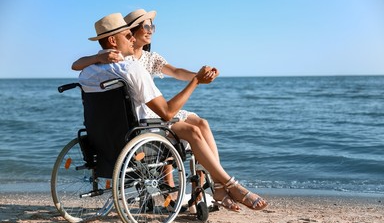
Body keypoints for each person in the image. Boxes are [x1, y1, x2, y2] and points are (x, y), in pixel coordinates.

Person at [79, 13, 268, 211]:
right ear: (114, 39)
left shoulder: (90, 70)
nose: (136, 37)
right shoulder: (131, 68)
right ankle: (228, 185)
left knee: (200, 124)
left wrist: (197, 76)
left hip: (111, 136)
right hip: (143, 127)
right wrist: (196, 81)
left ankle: (218, 187)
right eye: (130, 34)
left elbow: (76, 64)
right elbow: (166, 113)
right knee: (193, 131)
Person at [73, 9, 220, 164]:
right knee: (188, 128)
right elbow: (75, 64)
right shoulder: (120, 61)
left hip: (148, 106)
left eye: (152, 27)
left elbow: (176, 71)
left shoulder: (149, 58)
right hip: (142, 114)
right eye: (147, 27)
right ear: (132, 31)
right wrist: (98, 57)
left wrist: (199, 76)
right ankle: (207, 180)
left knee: (200, 123)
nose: (151, 31)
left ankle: (208, 177)